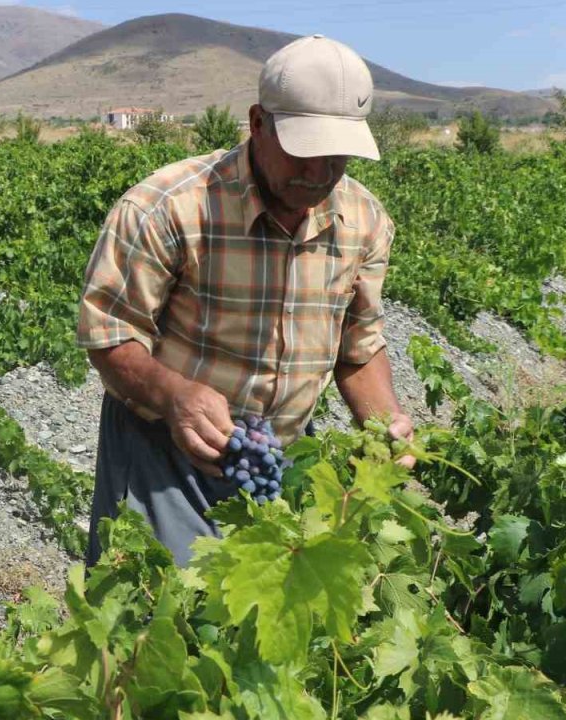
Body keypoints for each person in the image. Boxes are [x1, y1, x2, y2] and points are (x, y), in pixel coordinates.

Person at [78, 35, 414, 567]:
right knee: (157, 622)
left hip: (274, 460)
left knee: (253, 629)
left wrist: (386, 422)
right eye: (306, 151)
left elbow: (359, 346)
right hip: (162, 453)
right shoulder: (166, 208)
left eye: (339, 156)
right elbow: (110, 335)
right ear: (258, 122)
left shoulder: (365, 221)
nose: (321, 173)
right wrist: (175, 397)